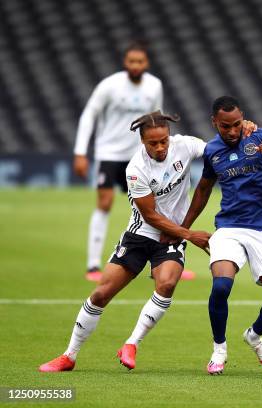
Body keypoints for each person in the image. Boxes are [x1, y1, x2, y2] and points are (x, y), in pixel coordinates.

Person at [39, 111, 214, 372]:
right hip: (140, 235)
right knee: (101, 294)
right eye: (153, 143)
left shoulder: (185, 145)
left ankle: (132, 343)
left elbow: (216, 150)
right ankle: (69, 355)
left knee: (166, 284)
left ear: (169, 136)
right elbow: (150, 215)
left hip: (172, 237)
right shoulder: (136, 169)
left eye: (164, 140)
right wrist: (188, 234)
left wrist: (247, 134)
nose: (160, 147)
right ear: (142, 142)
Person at [179, 96, 262, 375]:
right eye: (226, 126)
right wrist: (184, 230)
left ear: (243, 118)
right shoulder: (212, 150)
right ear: (215, 123)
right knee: (221, 287)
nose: (233, 131)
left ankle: (253, 335)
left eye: (237, 124)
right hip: (229, 228)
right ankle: (219, 349)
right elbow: (202, 190)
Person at [71, 42, 193, 281]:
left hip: (140, 156)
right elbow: (89, 115)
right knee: (104, 203)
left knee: (158, 206)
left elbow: (156, 118)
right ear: (125, 63)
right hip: (110, 153)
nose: (135, 66)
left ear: (146, 63)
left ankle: (168, 257)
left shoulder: (154, 85)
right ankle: (93, 265)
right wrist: (80, 152)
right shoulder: (109, 85)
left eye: (140, 61)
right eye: (131, 61)